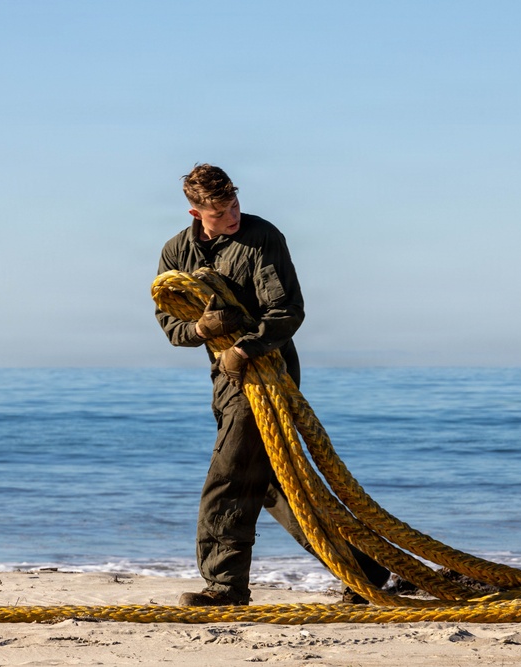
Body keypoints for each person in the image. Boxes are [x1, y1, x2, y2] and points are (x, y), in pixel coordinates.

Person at [155, 163, 390, 606]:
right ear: (194, 212)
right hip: (222, 376)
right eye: (220, 212)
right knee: (272, 482)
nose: (232, 217)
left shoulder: (262, 238)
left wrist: (243, 348)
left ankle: (225, 588)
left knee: (228, 477)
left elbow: (287, 310)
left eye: (235, 205)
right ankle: (365, 569)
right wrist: (202, 332)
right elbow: (170, 325)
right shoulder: (175, 253)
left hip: (267, 366)